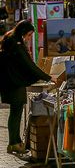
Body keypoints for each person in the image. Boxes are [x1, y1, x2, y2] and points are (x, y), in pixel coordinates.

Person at [0, 20, 56, 154]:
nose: (29, 38)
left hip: (9, 81)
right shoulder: (16, 44)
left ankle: (15, 142)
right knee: (16, 112)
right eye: (29, 35)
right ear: (23, 31)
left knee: (16, 112)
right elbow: (28, 65)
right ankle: (14, 143)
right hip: (14, 83)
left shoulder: (11, 39)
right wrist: (47, 77)